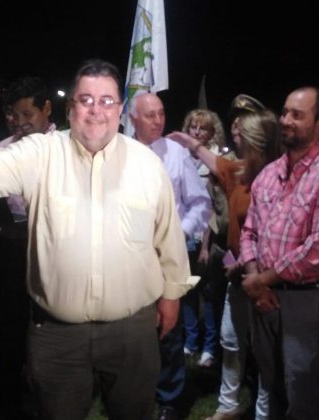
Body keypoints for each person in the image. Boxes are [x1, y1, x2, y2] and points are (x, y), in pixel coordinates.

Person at [0, 59, 195, 420]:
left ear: (120, 110)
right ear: (70, 107)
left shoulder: (147, 164)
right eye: (86, 100)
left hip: (133, 332)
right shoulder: (42, 152)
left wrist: (172, 295)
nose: (96, 110)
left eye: (106, 101)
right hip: (58, 337)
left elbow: (168, 235)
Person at [240, 86, 319, 419]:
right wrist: (255, 279)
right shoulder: (269, 174)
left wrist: (261, 280)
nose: (285, 120)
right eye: (285, 112)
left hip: (305, 299)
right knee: (271, 384)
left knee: (301, 388)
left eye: (297, 115)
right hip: (262, 297)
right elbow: (249, 231)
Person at [169, 94, 280, 420]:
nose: (235, 134)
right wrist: (188, 141)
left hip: (267, 278)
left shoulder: (278, 176)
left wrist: (254, 271)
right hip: (237, 272)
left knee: (264, 350)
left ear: (259, 141)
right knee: (231, 340)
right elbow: (211, 159)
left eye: (243, 133)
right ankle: (228, 405)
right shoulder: (238, 170)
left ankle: (264, 410)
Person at [130, 92, 211, 420]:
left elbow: (200, 202)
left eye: (161, 113)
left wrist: (177, 235)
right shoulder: (117, 152)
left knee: (168, 327)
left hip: (166, 258)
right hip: (127, 257)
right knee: (130, 327)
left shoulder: (176, 153)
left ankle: (171, 398)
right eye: (150, 115)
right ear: (132, 119)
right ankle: (134, 391)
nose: (158, 120)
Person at [0, 75, 56, 419]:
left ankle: (48, 396)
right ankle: (9, 399)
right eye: (17, 115)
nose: (22, 122)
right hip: (11, 247)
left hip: (53, 250)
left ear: (47, 109)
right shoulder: (3, 149)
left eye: (29, 114)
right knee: (11, 322)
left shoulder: (65, 148)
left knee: (49, 323)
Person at [180, 108, 230, 368]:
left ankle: (210, 346)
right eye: (193, 127)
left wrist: (206, 245)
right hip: (185, 234)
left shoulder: (217, 160)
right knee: (187, 289)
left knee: (209, 294)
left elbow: (215, 206)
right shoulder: (180, 156)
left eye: (203, 128)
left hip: (207, 236)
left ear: (213, 132)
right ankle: (190, 341)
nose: (197, 132)